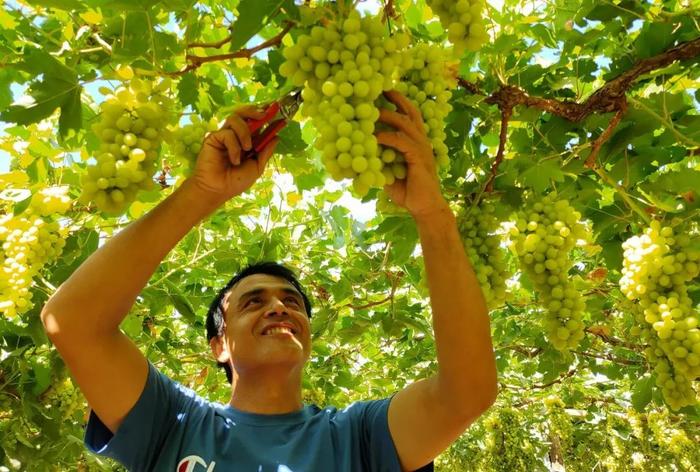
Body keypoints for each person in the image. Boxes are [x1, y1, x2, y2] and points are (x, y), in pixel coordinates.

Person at [40, 90, 498, 471]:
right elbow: (72, 321)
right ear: (218, 345)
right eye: (252, 302)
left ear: (309, 339)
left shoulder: (361, 437)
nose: (280, 307)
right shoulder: (173, 424)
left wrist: (433, 214)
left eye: (292, 302)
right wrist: (202, 192)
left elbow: (467, 392)